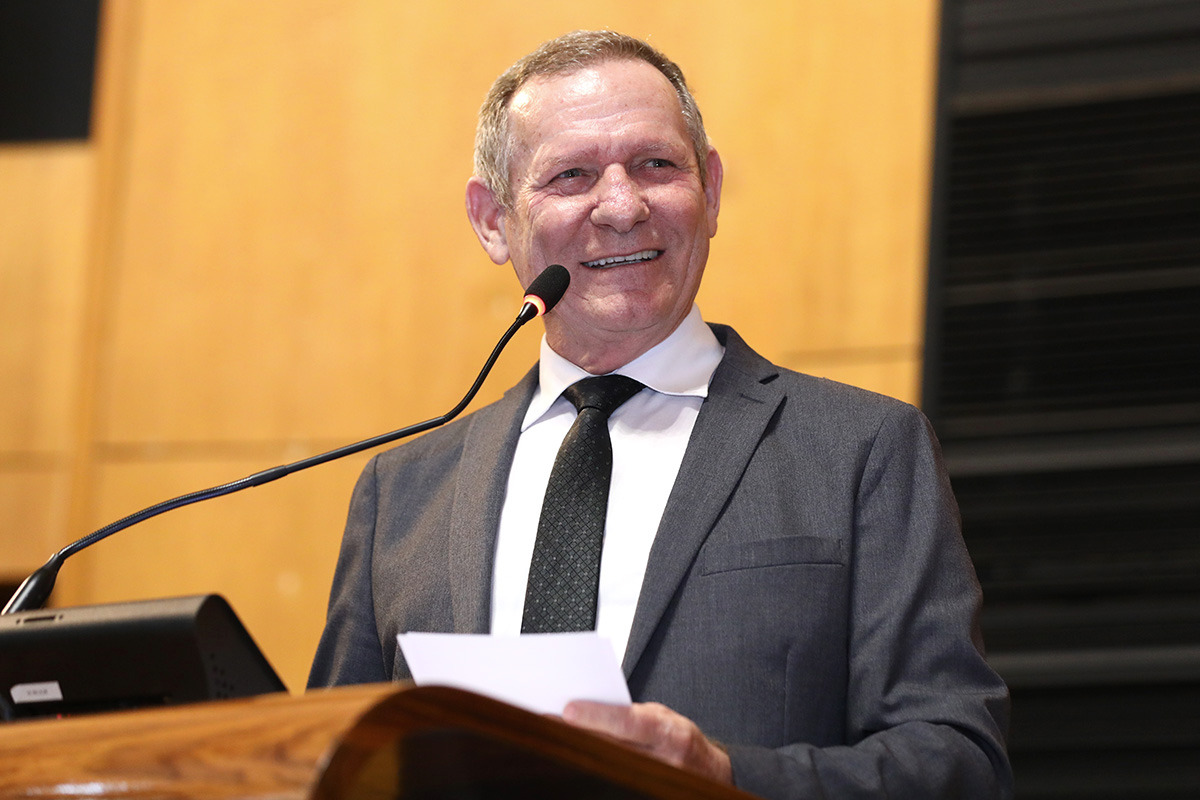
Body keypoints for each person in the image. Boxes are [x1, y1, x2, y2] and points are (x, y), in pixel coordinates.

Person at [309, 30, 1012, 799]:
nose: (622, 206)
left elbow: (959, 765)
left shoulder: (860, 450)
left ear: (709, 190)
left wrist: (728, 778)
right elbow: (324, 762)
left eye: (656, 165)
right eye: (572, 176)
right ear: (491, 219)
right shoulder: (402, 493)